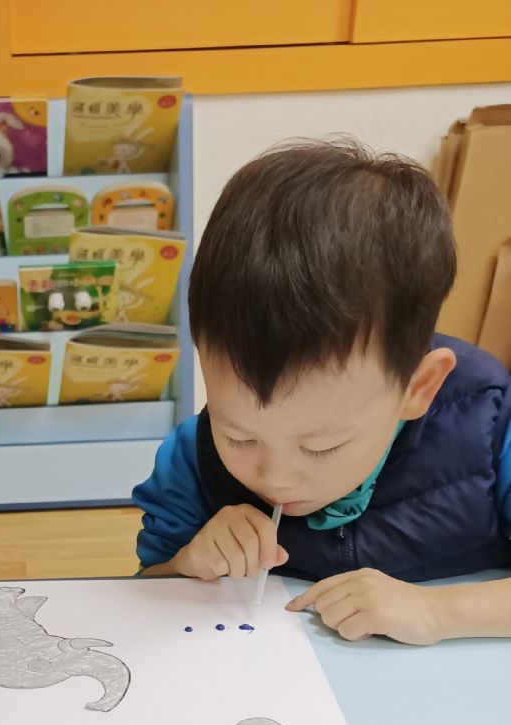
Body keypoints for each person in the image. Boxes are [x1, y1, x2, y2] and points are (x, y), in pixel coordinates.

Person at [134, 140, 511, 644]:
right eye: (239, 437)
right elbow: (144, 595)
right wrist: (187, 564)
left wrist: (440, 612)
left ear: (417, 387)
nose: (276, 478)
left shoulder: (489, 427)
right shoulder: (193, 458)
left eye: (321, 446)